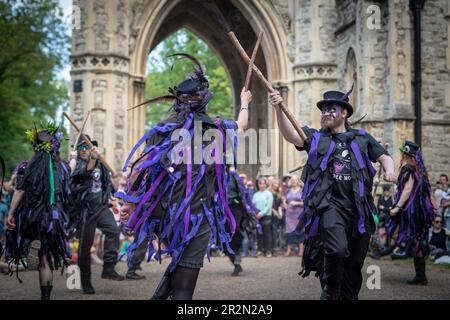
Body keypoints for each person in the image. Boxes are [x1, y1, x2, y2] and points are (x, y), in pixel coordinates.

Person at [117, 53, 251, 300]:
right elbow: (241, 126)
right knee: (184, 286)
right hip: (198, 217)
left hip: (167, 216)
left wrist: (128, 202)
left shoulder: (165, 128)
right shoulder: (216, 128)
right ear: (204, 101)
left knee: (179, 265)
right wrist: (244, 102)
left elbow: (139, 168)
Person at [269, 87, 395, 300]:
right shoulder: (316, 138)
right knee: (336, 250)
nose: (326, 113)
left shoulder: (362, 138)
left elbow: (384, 157)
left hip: (359, 210)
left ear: (344, 113)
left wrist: (390, 169)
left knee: (354, 263)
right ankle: (330, 292)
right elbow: (291, 136)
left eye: (331, 109)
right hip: (329, 206)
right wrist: (278, 110)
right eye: (323, 109)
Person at [3, 123, 71, 299]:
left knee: (39, 253)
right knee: (47, 258)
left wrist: (11, 214)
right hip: (55, 218)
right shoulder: (63, 167)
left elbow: (19, 191)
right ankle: (45, 297)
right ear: (56, 147)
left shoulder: (26, 166)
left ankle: (30, 247)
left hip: (34, 216)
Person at [68, 135, 124, 295]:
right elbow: (84, 174)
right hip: (85, 211)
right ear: (78, 151)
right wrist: (92, 159)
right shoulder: (74, 165)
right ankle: (86, 282)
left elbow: (107, 183)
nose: (85, 150)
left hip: (100, 207)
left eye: (88, 147)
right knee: (85, 247)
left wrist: (115, 193)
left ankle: (108, 268)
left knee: (114, 231)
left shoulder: (101, 164)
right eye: (82, 148)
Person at [387, 141, 434, 285]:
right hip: (420, 212)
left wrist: (397, 207)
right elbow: (406, 184)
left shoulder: (408, 169)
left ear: (406, 155)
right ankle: (420, 274)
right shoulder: (418, 170)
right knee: (417, 240)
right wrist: (392, 179)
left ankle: (395, 250)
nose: (401, 155)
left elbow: (407, 189)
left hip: (413, 212)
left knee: (414, 239)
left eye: (403, 153)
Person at [224, 168, 259, 276]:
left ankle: (237, 258)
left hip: (235, 208)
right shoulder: (215, 177)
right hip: (222, 210)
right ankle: (235, 260)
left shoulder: (234, 177)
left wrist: (248, 211)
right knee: (223, 239)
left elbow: (243, 194)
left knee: (235, 232)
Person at [252, 177, 274, 257]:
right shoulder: (256, 194)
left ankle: (268, 251)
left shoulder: (269, 194)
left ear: (266, 184)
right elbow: (253, 205)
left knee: (267, 234)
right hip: (257, 217)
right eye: (260, 184)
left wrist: (261, 214)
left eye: (263, 184)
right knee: (259, 234)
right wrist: (254, 214)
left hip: (266, 216)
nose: (262, 185)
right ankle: (260, 250)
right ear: (258, 185)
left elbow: (268, 206)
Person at [284, 175, 304, 257]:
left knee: (300, 231)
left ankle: (301, 251)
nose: (293, 181)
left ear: (298, 181)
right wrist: (284, 204)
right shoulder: (288, 190)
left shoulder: (302, 191)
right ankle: (289, 250)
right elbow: (285, 200)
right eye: (292, 180)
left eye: (295, 180)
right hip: (289, 215)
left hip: (299, 214)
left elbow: (305, 203)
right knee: (289, 232)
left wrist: (297, 203)